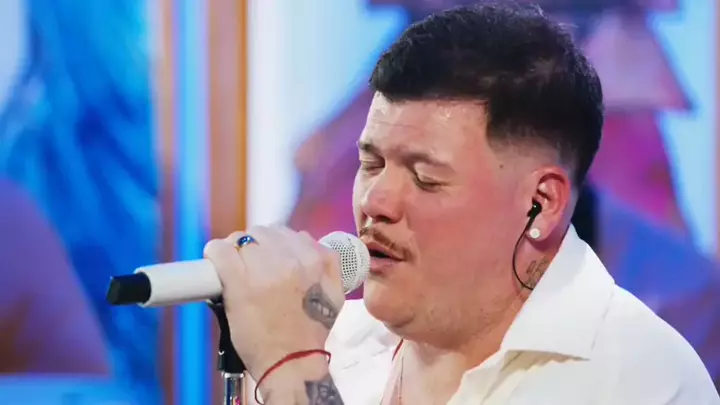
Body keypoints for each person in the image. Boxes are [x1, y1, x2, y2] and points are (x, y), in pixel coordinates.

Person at [205, 4, 719, 405]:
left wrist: (295, 371)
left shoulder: (639, 375)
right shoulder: (337, 343)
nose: (375, 200)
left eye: (425, 177)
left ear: (540, 205)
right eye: (371, 163)